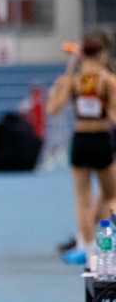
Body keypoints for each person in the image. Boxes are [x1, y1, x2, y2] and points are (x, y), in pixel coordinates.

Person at [46, 33, 116, 266]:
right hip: (102, 140)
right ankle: (106, 249)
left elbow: (52, 108)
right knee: (110, 196)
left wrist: (66, 76)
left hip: (80, 140)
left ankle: (88, 250)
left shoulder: (74, 81)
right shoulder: (107, 80)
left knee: (82, 198)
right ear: (102, 54)